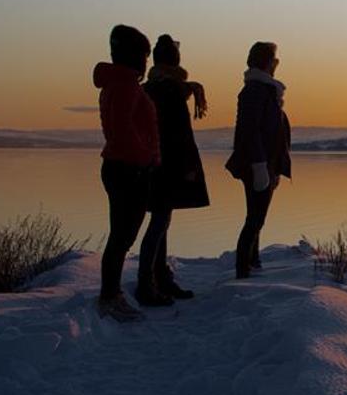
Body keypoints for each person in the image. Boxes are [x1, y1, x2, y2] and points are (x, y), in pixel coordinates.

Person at [135, 34, 210, 307]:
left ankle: (158, 277)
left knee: (161, 221)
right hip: (167, 164)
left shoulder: (152, 88)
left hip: (151, 164)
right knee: (159, 223)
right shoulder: (171, 91)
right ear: (174, 61)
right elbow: (179, 134)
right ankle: (147, 284)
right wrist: (189, 167)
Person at [93, 25, 159, 322]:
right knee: (122, 236)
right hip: (128, 168)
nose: (147, 62)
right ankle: (109, 297)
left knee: (122, 236)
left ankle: (112, 293)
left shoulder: (121, 83)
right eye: (144, 55)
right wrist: (145, 158)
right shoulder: (125, 85)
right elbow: (122, 130)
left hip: (125, 166)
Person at [225, 41, 291, 279]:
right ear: (266, 62)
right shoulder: (254, 91)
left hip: (267, 163)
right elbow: (250, 130)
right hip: (258, 165)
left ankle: (252, 262)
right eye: (274, 59)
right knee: (255, 218)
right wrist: (260, 166)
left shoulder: (266, 91)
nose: (276, 63)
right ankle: (244, 269)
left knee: (257, 217)